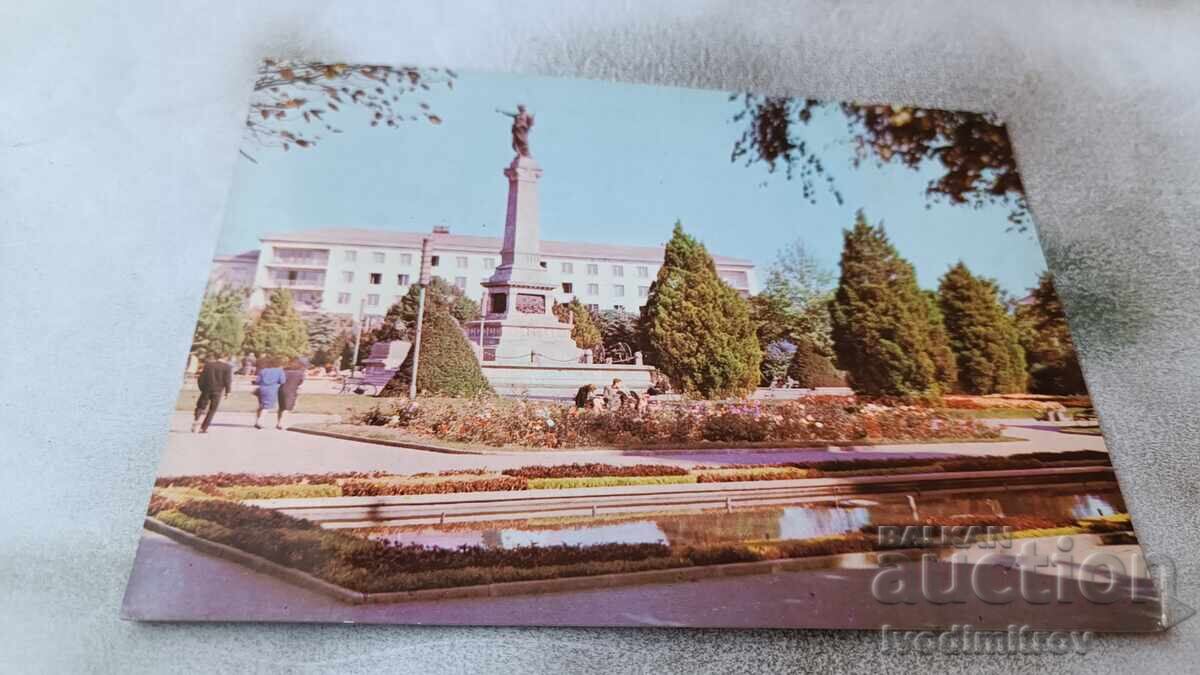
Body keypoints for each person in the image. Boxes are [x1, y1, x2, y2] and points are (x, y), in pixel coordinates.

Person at [191, 354, 232, 433]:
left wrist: (202, 388)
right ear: (226, 358)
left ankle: (196, 420)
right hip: (218, 390)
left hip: (206, 389)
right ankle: (203, 428)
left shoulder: (208, 365)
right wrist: (228, 391)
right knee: (212, 409)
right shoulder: (227, 367)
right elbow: (227, 380)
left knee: (201, 406)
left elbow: (201, 378)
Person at [253, 356, 287, 430]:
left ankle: (257, 420)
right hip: (272, 389)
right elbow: (282, 381)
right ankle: (259, 422)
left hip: (262, 388)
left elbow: (257, 381)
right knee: (267, 406)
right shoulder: (279, 371)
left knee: (261, 405)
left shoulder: (263, 370)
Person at [276, 358, 307, 430]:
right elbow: (300, 382)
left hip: (281, 390)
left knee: (281, 407)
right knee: (287, 408)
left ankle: (278, 422)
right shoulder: (300, 373)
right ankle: (281, 423)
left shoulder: (284, 371)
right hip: (291, 391)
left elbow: (279, 380)